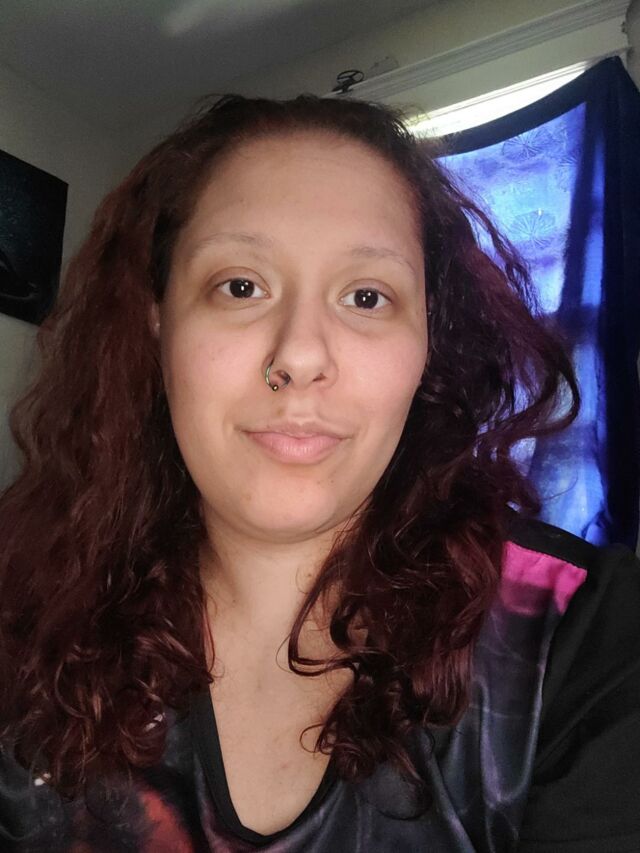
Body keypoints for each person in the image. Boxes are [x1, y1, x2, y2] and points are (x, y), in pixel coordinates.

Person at [0, 93, 638, 853]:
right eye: (241, 286)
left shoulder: (587, 639)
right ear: (157, 323)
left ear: (428, 343)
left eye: (367, 296)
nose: (300, 356)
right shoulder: (20, 613)